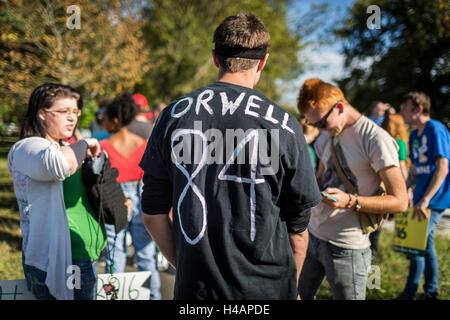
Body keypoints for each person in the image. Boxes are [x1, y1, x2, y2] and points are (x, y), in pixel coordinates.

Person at [139, 13, 321, 300]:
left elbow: (152, 214)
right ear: (263, 61)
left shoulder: (172, 116)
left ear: (215, 58)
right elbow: (298, 229)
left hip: (197, 292)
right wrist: (290, 287)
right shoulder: (284, 125)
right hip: (268, 288)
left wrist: (189, 267)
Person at [297, 78, 408, 300]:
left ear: (339, 108)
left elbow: (400, 201)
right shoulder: (326, 136)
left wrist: (350, 200)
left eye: (321, 124)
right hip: (313, 236)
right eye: (314, 126)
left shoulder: (375, 139)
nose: (319, 130)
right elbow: (320, 178)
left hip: (347, 246)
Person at [7, 83, 105, 300]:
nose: (72, 118)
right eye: (63, 112)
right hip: (55, 260)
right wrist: (85, 142)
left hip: (85, 254)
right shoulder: (27, 148)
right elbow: (59, 165)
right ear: (42, 114)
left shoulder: (66, 147)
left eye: (75, 111)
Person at [100, 91, 161, 300]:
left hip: (113, 199)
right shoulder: (144, 144)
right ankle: (154, 296)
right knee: (146, 255)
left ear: (115, 120)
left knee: (114, 255)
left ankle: (113, 297)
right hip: (142, 195)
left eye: (105, 119)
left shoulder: (104, 147)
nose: (103, 123)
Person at [397, 91, 450, 300]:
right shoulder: (413, 135)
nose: (401, 112)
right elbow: (414, 171)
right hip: (419, 199)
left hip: (434, 199)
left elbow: (443, 168)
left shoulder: (436, 129)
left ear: (418, 109)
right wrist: (401, 189)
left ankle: (422, 292)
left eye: (405, 108)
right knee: (420, 244)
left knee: (421, 243)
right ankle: (425, 292)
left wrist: (426, 199)